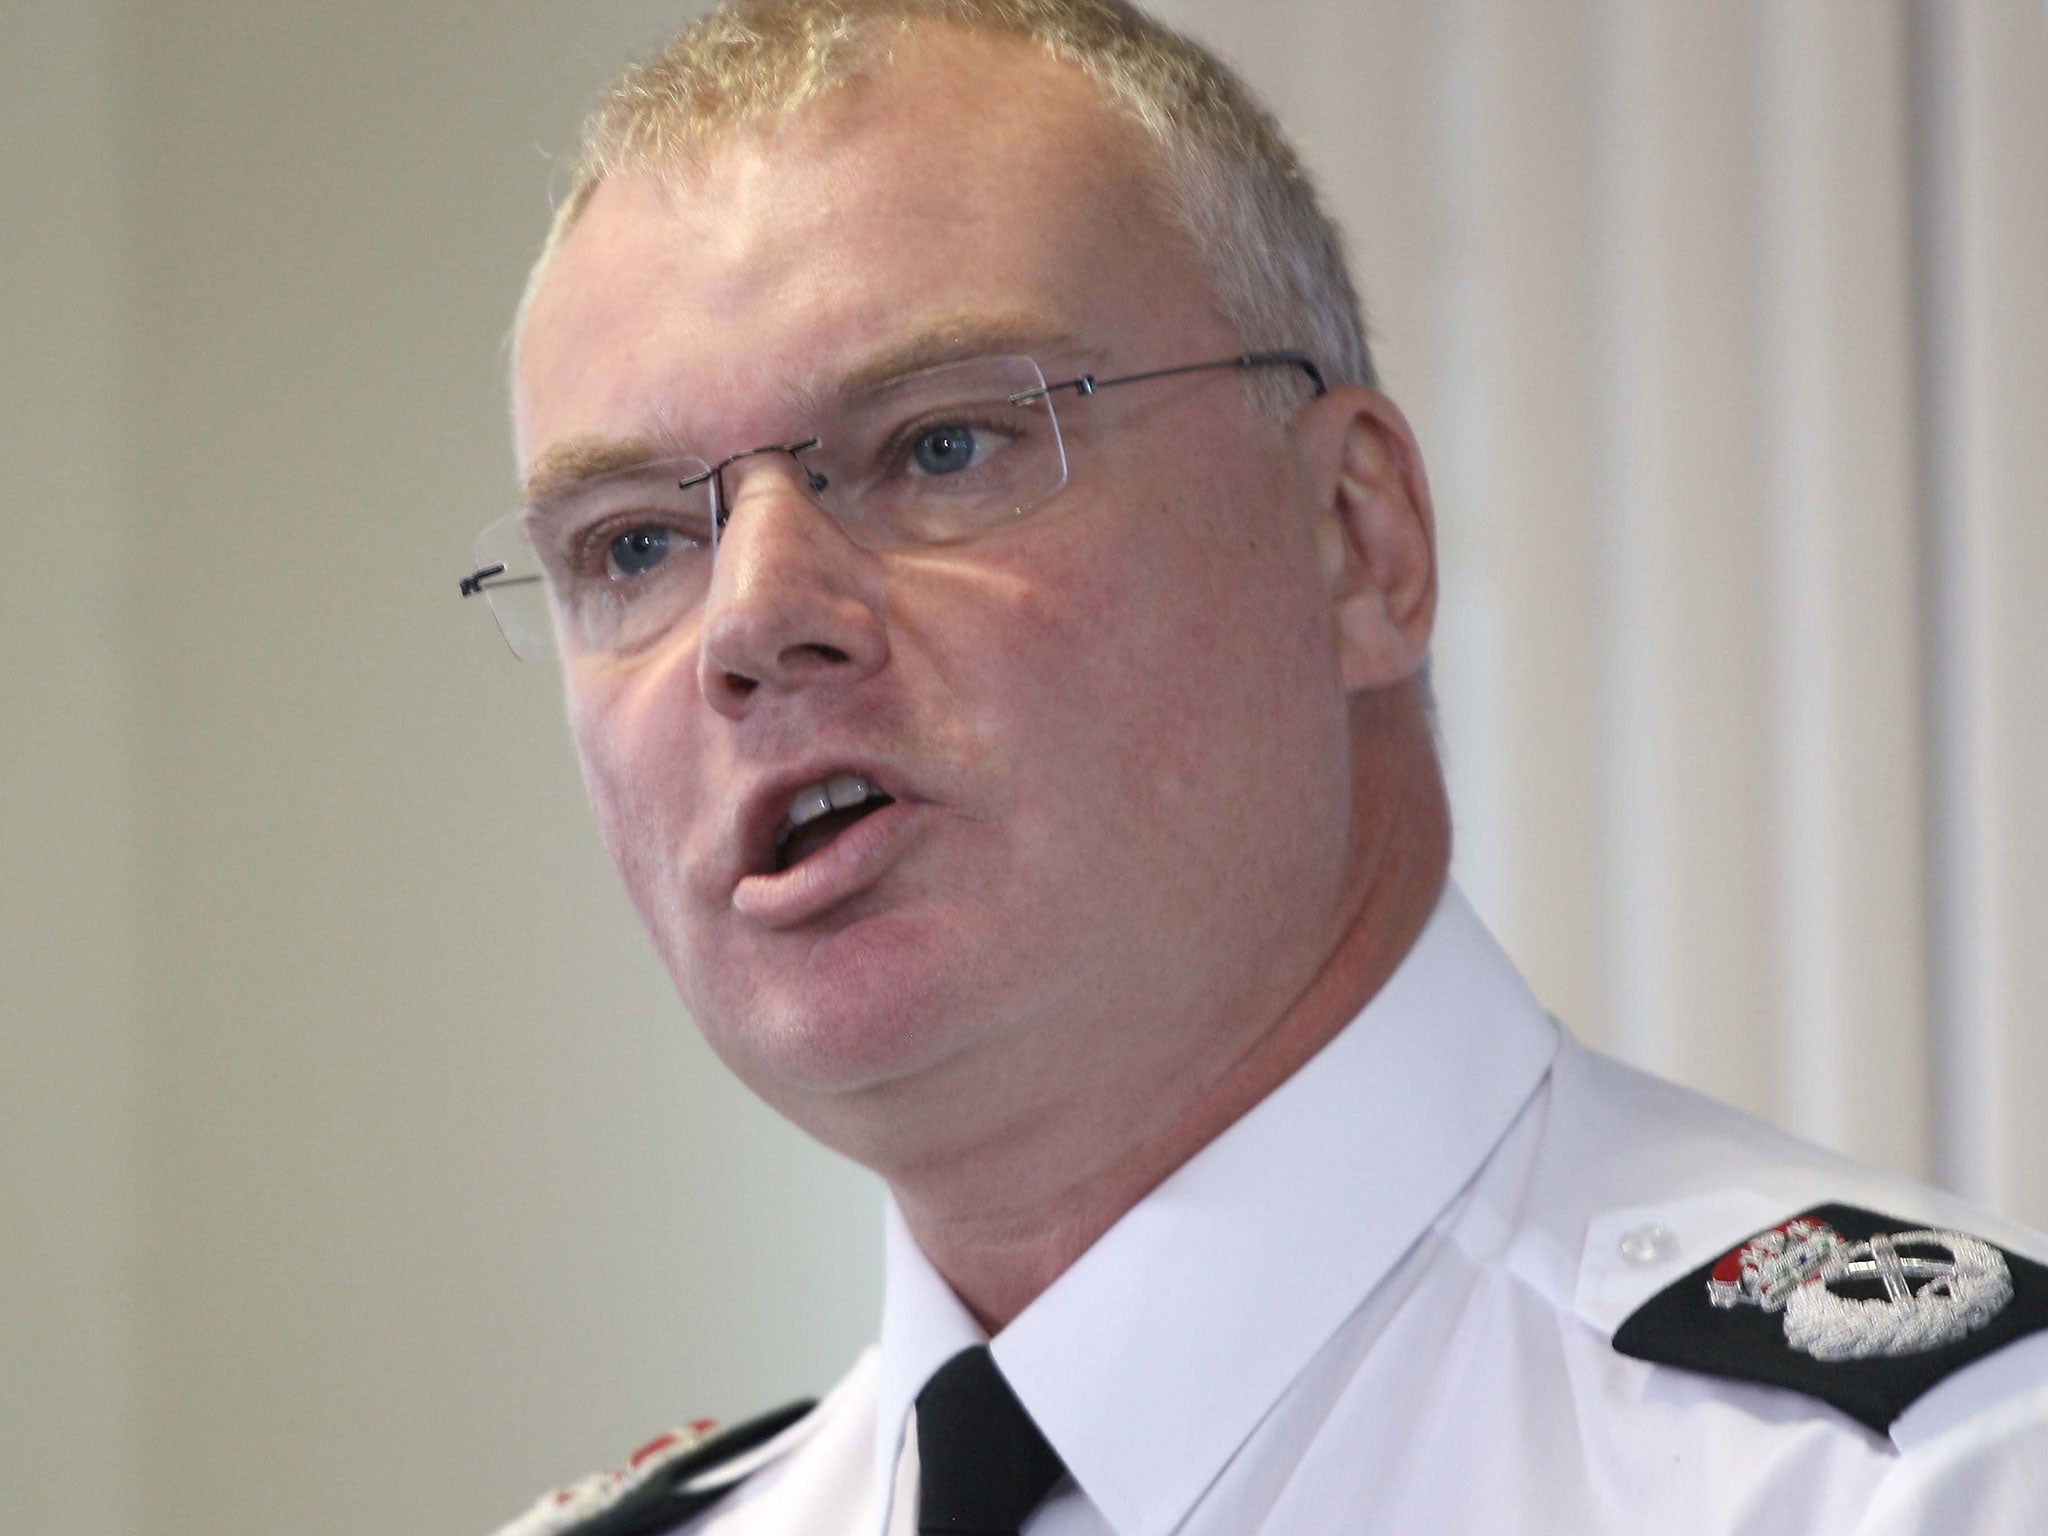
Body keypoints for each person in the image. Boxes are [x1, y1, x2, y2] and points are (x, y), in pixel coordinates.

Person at [465, 2, 2048, 1531]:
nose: (750, 621)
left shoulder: (1938, 1482)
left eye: (943, 443)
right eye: (635, 544)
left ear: (1353, 540)